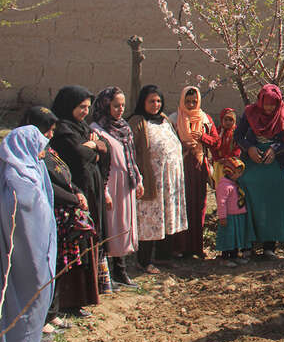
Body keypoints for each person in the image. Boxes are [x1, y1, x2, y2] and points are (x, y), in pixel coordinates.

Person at [20, 106, 98, 325]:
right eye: (47, 130)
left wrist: (78, 191)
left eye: (52, 130)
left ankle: (51, 314)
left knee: (57, 266)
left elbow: (63, 176)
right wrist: (74, 198)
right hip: (47, 217)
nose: (51, 135)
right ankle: (42, 320)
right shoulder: (31, 155)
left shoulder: (48, 150)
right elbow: (48, 186)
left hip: (61, 217)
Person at [0, 126, 57, 342]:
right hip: (25, 251)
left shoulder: (29, 170)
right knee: (25, 292)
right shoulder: (16, 179)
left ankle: (31, 339)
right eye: (39, 146)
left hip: (37, 245)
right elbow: (20, 217)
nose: (43, 152)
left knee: (37, 291)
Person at [50, 85, 113, 297]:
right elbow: (77, 155)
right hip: (76, 193)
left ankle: (92, 290)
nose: (85, 111)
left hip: (91, 191)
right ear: (69, 106)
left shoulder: (82, 128)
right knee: (80, 239)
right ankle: (76, 297)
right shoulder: (62, 130)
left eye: (87, 107)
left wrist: (94, 147)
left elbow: (105, 147)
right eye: (80, 107)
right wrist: (93, 148)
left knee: (93, 235)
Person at [234, 84, 284, 259]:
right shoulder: (250, 113)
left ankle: (269, 246)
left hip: (274, 165)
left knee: (273, 203)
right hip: (252, 163)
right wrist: (249, 148)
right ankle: (247, 245)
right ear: (260, 101)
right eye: (267, 103)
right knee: (248, 200)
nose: (270, 107)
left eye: (273, 104)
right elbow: (238, 136)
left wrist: (275, 149)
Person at [128, 85, 188, 273]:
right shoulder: (137, 122)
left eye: (159, 101)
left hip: (170, 180)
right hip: (151, 180)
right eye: (151, 101)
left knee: (167, 215)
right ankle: (143, 261)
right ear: (143, 102)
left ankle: (163, 256)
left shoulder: (164, 120)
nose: (156, 105)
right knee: (150, 219)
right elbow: (130, 151)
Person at [91, 87, 143, 288]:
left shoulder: (124, 127)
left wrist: (138, 179)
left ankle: (121, 271)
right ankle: (109, 273)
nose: (120, 109)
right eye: (115, 105)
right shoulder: (97, 130)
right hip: (110, 184)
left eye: (122, 105)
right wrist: (103, 191)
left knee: (123, 225)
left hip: (126, 184)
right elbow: (99, 163)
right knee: (111, 226)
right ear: (105, 105)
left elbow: (131, 157)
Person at [169, 86, 218, 258]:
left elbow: (216, 142)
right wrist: (181, 146)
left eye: (194, 102)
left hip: (198, 168)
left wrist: (202, 138)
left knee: (199, 206)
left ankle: (196, 247)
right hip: (180, 167)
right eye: (187, 101)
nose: (190, 105)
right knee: (182, 205)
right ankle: (179, 247)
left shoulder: (205, 119)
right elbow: (167, 144)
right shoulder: (174, 120)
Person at [214, 157, 254, 267]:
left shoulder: (235, 183)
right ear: (230, 172)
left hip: (238, 215)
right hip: (229, 217)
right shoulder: (225, 186)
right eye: (238, 172)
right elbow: (221, 202)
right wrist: (222, 217)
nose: (240, 175)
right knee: (229, 238)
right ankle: (225, 258)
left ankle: (235, 256)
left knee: (237, 237)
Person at [210, 107, 241, 189]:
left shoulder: (237, 133)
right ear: (221, 120)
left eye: (231, 120)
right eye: (225, 120)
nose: (228, 122)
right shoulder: (217, 132)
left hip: (233, 165)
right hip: (219, 164)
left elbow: (238, 148)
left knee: (232, 187)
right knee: (220, 185)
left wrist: (229, 159)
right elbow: (213, 146)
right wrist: (218, 158)